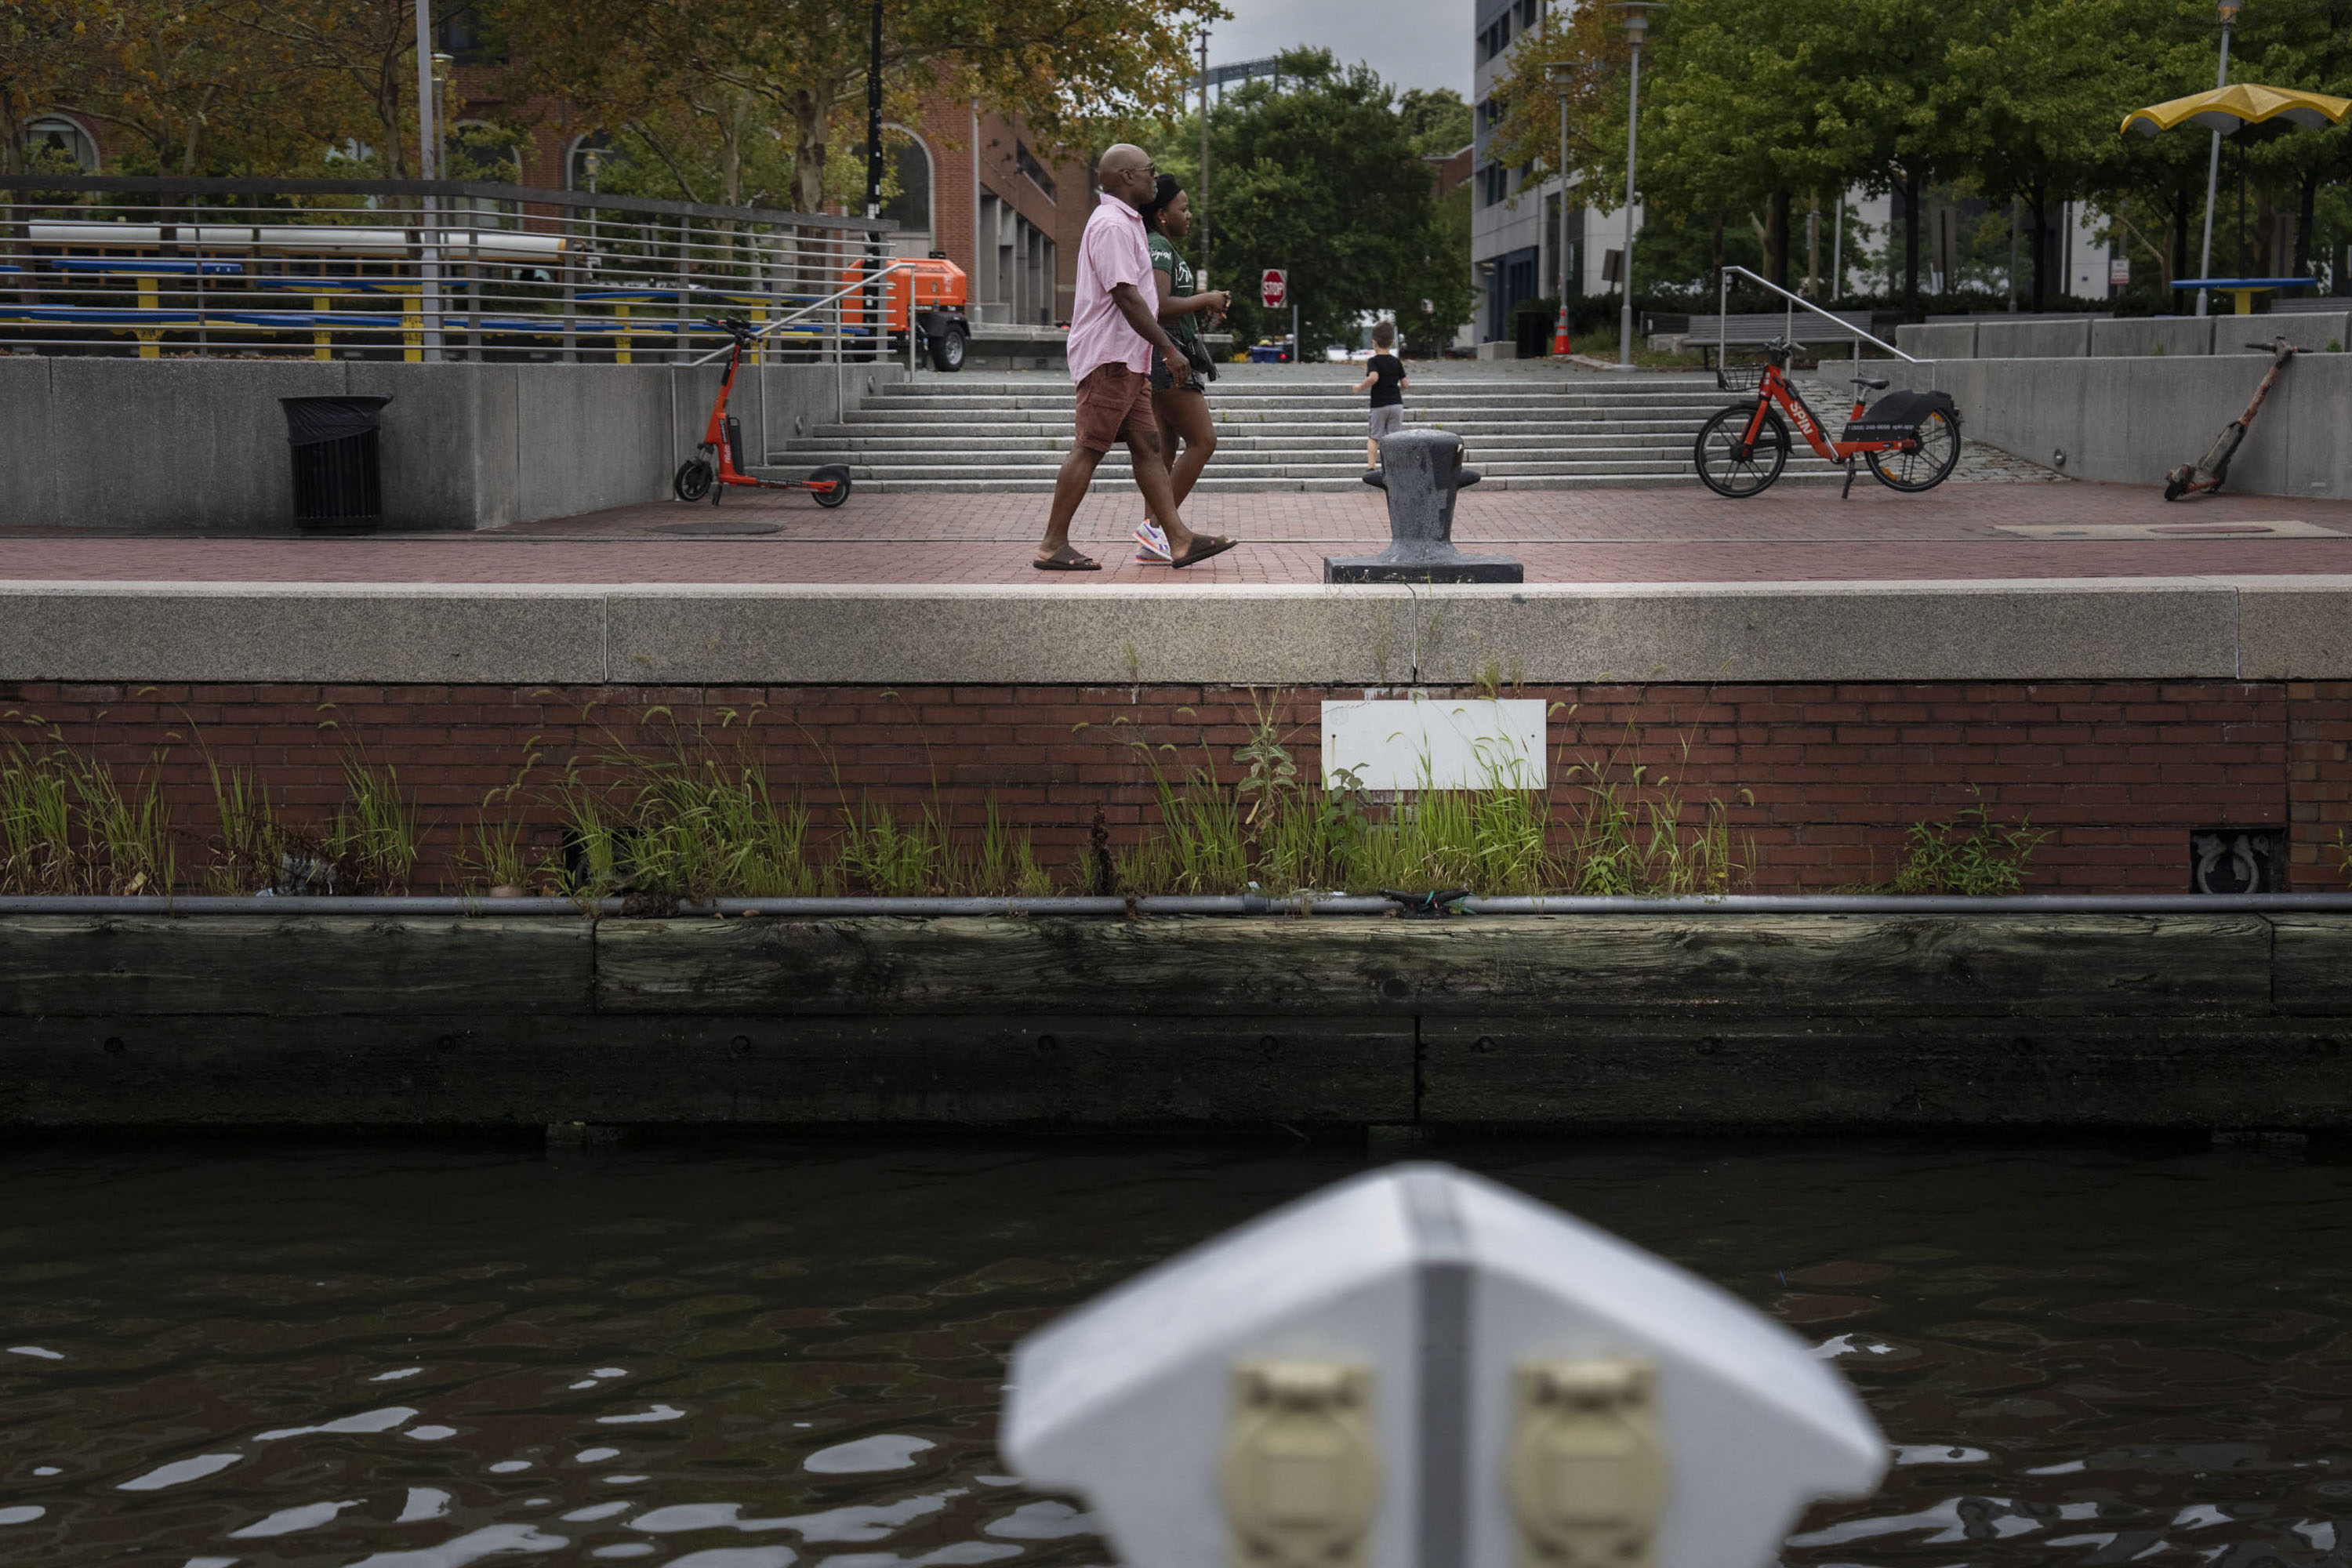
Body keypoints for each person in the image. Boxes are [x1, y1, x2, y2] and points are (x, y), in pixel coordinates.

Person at [1033, 144, 1237, 572]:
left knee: (1149, 446)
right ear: (1127, 177)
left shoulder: (1125, 225)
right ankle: (1053, 544)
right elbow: (1127, 296)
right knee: (1089, 447)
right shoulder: (1111, 225)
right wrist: (1167, 347)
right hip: (1110, 356)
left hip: (1128, 358)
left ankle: (1176, 539)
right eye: (1149, 170)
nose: (1154, 176)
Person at [1131, 173, 1231, 564]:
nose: (1189, 215)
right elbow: (1156, 305)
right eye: (1183, 208)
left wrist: (1203, 304)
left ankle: (1152, 541)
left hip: (1166, 352)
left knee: (1167, 451)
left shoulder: (1161, 244)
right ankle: (1158, 530)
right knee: (1204, 441)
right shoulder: (1157, 246)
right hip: (1168, 355)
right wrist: (1204, 298)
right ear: (1161, 214)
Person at [1353, 320, 1409, 469]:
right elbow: (1405, 384)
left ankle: (1371, 467)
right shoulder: (1396, 362)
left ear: (1374, 343)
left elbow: (1373, 377)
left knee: (1374, 437)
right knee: (1394, 438)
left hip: (1379, 405)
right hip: (1396, 404)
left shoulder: (1374, 361)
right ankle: (1394, 467)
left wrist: (1360, 387)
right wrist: (1398, 390)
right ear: (1392, 342)